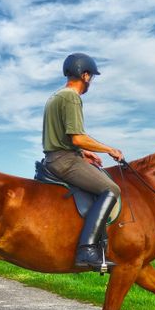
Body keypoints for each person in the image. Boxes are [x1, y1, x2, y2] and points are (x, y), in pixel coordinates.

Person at [42, 52, 124, 270]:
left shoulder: (55, 97)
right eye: (91, 77)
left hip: (56, 156)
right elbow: (77, 137)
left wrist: (83, 152)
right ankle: (87, 249)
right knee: (111, 189)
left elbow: (65, 138)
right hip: (64, 161)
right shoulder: (72, 97)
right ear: (85, 75)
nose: (90, 82)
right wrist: (109, 149)